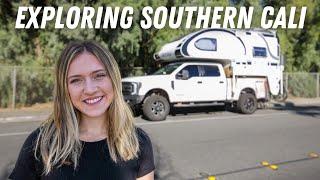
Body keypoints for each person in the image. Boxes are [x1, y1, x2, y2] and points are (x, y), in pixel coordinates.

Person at [9, 41, 155, 180]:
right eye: (76, 80)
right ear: (65, 89)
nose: (90, 90)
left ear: (114, 79)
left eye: (99, 75)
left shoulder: (137, 142)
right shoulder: (40, 144)